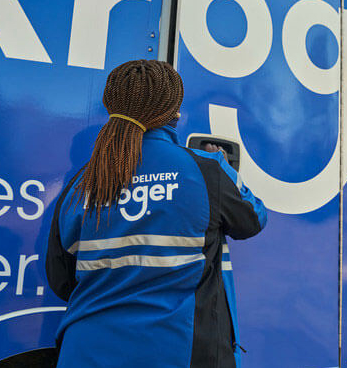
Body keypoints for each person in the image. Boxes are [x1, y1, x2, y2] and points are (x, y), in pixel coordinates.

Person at [45, 60, 267, 368]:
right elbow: (252, 220)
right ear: (175, 113)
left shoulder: (81, 183)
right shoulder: (207, 170)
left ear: (111, 106)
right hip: (176, 352)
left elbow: (62, 281)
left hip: (85, 354)